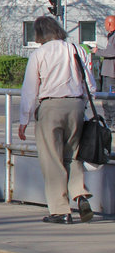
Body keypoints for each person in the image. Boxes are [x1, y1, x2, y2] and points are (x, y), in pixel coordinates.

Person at [18, 15, 95, 224]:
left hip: (50, 106)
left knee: (52, 158)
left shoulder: (39, 54)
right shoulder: (75, 49)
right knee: (73, 154)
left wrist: (24, 119)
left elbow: (30, 89)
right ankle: (80, 194)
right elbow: (90, 83)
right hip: (76, 105)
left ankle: (61, 210)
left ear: (40, 33)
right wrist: (85, 105)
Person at [93, 14, 115, 124]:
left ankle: (112, 122)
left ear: (110, 23)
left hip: (111, 74)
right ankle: (109, 121)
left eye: (106, 23)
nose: (105, 25)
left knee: (110, 99)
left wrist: (98, 52)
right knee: (106, 99)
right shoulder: (111, 36)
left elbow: (112, 52)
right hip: (108, 73)